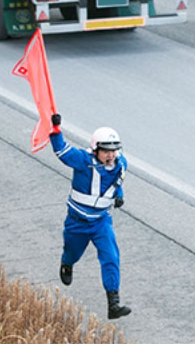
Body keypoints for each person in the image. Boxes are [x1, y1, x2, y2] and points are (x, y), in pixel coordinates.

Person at [49, 113, 131, 320]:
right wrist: (56, 129)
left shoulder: (121, 164)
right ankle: (66, 264)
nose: (110, 155)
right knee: (72, 252)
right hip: (77, 222)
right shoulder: (83, 160)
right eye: (105, 151)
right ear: (96, 150)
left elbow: (116, 183)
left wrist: (119, 196)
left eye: (113, 151)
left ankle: (113, 303)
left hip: (101, 221)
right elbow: (61, 151)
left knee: (111, 257)